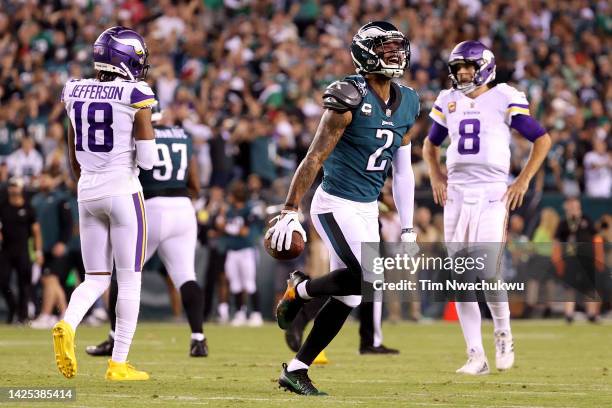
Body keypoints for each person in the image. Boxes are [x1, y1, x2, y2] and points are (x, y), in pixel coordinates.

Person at [267, 21, 419, 395]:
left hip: (368, 207)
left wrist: (409, 227)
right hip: (335, 202)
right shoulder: (350, 95)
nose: (394, 55)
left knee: (352, 294)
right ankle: (299, 290)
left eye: (397, 48)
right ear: (366, 54)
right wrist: (291, 207)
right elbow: (315, 156)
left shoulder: (409, 101)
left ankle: (297, 369)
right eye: (385, 49)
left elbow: (403, 172)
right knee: (369, 278)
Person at [423, 41, 551, 375]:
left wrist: (522, 180)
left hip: (492, 191)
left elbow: (542, 139)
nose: (462, 73)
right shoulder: (448, 100)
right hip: (457, 194)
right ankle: (475, 356)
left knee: (487, 268)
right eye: (458, 68)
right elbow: (429, 144)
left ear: (485, 67)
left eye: (467, 67)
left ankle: (503, 333)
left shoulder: (504, 95)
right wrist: (436, 174)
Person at [52, 26, 157, 381]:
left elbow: (72, 151)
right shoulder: (136, 92)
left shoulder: (74, 90)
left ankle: (67, 322)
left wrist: (85, 174)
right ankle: (118, 363)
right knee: (129, 280)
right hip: (123, 191)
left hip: (87, 190)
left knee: (95, 276)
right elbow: (148, 160)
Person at [85, 108, 209, 357]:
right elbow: (195, 182)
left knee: (124, 274)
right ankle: (198, 338)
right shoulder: (183, 135)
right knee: (186, 275)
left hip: (148, 207)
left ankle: (113, 337)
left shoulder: (133, 135)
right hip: (183, 208)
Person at [217, 180, 264, 327]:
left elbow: (245, 232)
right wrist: (226, 224)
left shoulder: (250, 209)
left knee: (249, 283)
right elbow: (220, 225)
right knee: (235, 284)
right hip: (232, 251)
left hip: (246, 251)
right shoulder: (229, 210)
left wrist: (228, 227)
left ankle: (256, 313)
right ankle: (240, 313)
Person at [29, 171, 72, 329]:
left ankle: (46, 315)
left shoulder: (60, 198)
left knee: (50, 279)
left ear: (53, 180)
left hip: (57, 249)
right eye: (41, 178)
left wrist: (62, 242)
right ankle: (65, 314)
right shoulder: (36, 199)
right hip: (43, 249)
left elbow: (68, 224)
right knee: (51, 282)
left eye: (46, 177)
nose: (43, 181)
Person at [0, 177, 44, 323]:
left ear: (21, 188)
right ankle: (13, 307)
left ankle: (22, 316)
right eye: (11, 186)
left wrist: (38, 251)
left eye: (16, 186)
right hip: (5, 251)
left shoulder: (28, 208)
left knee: (24, 284)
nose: (13, 189)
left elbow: (36, 231)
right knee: (3, 281)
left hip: (23, 251)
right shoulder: (3, 206)